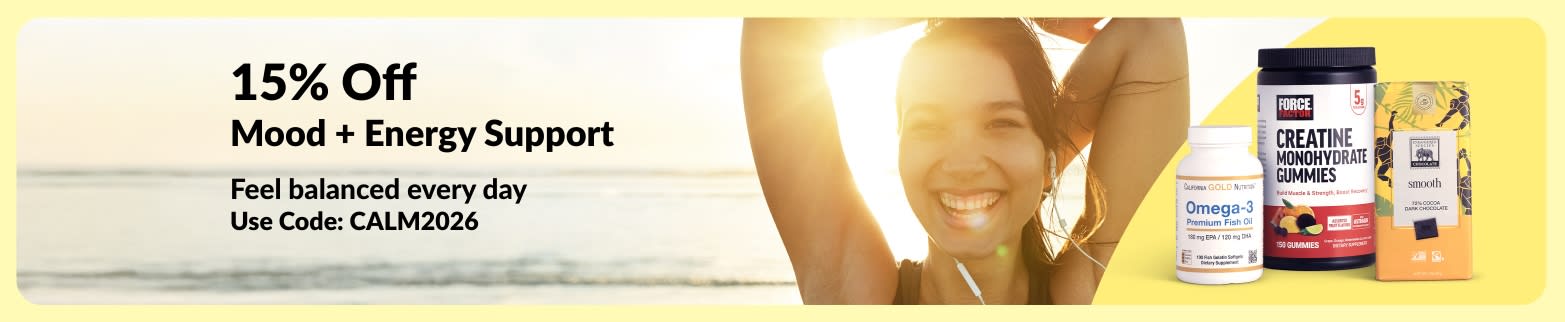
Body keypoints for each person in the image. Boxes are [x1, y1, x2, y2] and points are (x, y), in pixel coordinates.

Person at [739, 18, 1188, 304]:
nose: (963, 162)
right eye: (929, 126)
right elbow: (774, 24)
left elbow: (1152, 27)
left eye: (1002, 124)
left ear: (1047, 152)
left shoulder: (1085, 294)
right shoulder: (857, 295)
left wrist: (1032, 172)